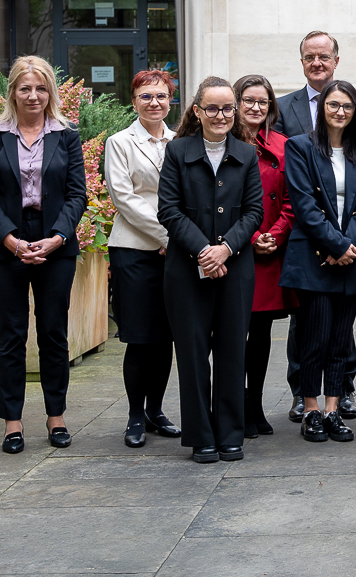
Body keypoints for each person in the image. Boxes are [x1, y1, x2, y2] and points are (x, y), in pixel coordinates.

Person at [0, 56, 87, 454]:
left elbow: (78, 195)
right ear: (13, 92)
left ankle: (56, 418)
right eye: (25, 88)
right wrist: (10, 240)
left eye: (41, 88)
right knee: (11, 335)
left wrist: (57, 238)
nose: (33, 96)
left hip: (56, 244)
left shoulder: (67, 135)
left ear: (50, 92)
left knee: (53, 333)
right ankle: (13, 423)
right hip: (6, 244)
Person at [158, 77, 263, 463]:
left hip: (235, 268)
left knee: (233, 351)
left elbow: (255, 212)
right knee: (192, 352)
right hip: (187, 270)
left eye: (227, 108)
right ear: (197, 111)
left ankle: (230, 433)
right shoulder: (177, 151)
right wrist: (204, 250)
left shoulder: (246, 154)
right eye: (213, 108)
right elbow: (167, 209)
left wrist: (225, 249)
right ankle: (201, 436)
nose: (221, 115)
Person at [275, 31, 356, 423]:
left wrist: (350, 245)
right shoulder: (297, 139)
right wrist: (333, 245)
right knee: (311, 332)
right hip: (314, 251)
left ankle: (335, 403)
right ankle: (307, 402)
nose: (340, 111)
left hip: (350, 254)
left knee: (340, 334)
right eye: (333, 105)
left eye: (346, 106)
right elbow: (304, 202)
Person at [105, 69, 183, 448]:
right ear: (133, 100)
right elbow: (125, 198)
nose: (154, 103)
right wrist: (169, 235)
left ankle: (156, 411)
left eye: (161, 96)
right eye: (146, 96)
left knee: (166, 335)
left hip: (176, 253)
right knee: (139, 337)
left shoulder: (181, 141)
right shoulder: (119, 142)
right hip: (134, 249)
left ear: (171, 101)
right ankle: (135, 415)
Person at [233, 74, 296, 439]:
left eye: (264, 102)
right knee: (231, 333)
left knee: (261, 334)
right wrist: (253, 236)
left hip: (271, 252)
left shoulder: (283, 144)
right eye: (249, 101)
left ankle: (254, 405)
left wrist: (276, 234)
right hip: (237, 249)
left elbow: (292, 200)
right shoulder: (224, 142)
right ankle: (233, 404)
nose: (257, 108)